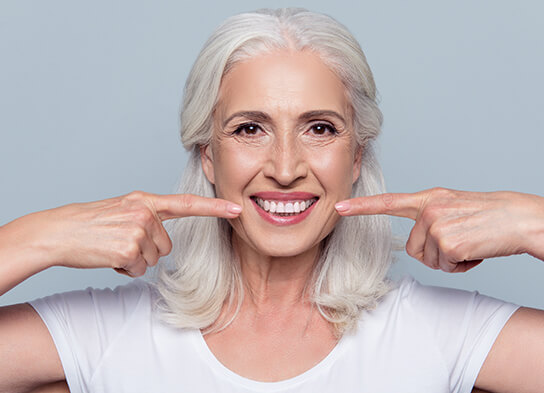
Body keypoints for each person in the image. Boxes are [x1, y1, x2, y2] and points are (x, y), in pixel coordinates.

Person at [1, 7, 544, 393]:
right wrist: (39, 237)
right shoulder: (106, 334)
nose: (285, 169)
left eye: (321, 129)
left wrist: (531, 223)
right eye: (249, 129)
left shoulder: (438, 334)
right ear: (207, 155)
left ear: (356, 157)